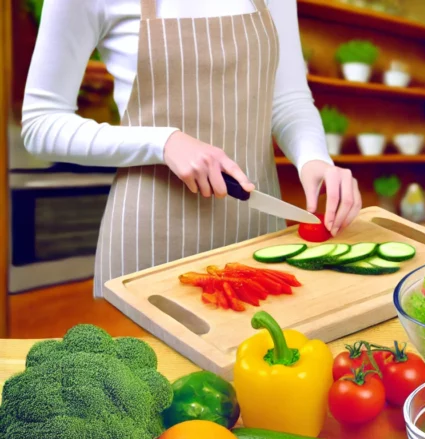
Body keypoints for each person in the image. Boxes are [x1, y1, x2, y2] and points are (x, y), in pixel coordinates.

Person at [21, 0, 361, 297]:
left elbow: (288, 99)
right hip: (152, 246)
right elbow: (41, 124)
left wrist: (314, 157)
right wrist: (163, 141)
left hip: (258, 235)